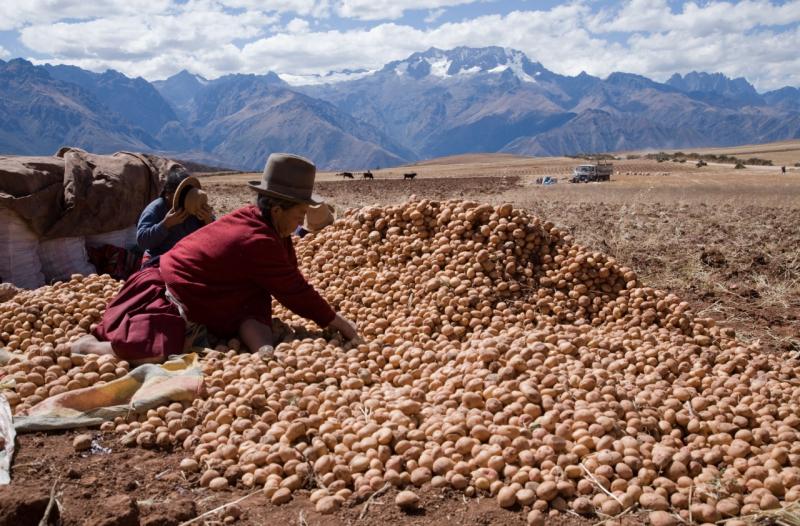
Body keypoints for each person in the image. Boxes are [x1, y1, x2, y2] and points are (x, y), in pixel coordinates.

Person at [65, 153, 358, 364]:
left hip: (208, 294)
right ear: (278, 210)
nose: (301, 222)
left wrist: (269, 352)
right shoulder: (257, 238)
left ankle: (264, 354)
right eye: (299, 214)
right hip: (166, 292)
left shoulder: (263, 224)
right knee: (155, 348)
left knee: (254, 296)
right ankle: (91, 347)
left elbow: (282, 281)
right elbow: (295, 291)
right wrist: (341, 324)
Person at [137, 168, 213, 268]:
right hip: (160, 258)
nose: (184, 199)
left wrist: (208, 220)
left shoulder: (194, 205)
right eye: (180, 195)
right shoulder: (156, 209)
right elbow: (142, 241)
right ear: (168, 194)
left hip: (189, 258)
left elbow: (214, 238)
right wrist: (165, 224)